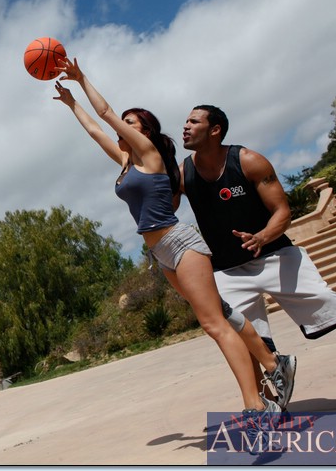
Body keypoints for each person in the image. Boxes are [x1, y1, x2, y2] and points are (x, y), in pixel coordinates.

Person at [52, 58, 281, 445]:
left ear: (143, 132)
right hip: (160, 253)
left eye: (130, 123)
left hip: (180, 243)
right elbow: (95, 129)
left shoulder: (150, 155)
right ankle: (274, 361)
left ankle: (256, 408)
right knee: (220, 313)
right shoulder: (126, 162)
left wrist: (82, 78)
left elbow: (105, 114)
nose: (122, 127)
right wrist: (71, 102)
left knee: (213, 325)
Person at [179, 105, 336, 397]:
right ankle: (268, 407)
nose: (185, 126)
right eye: (185, 121)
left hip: (275, 255)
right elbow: (161, 203)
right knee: (242, 339)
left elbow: (282, 212)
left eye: (193, 121)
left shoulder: (248, 161)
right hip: (227, 270)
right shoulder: (183, 174)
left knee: (331, 305)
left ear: (215, 130)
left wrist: (262, 236)